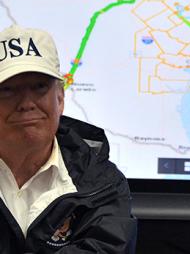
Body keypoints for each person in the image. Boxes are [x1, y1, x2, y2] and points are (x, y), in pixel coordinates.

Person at [0, 25, 137, 253]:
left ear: (60, 98)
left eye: (39, 87)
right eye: (7, 90)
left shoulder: (103, 184)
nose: (26, 103)